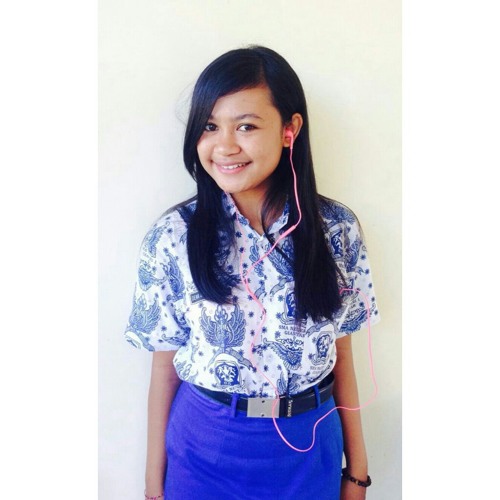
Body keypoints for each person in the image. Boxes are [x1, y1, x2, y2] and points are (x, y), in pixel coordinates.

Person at [125, 46, 380, 500]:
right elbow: (164, 369)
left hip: (310, 445)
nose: (224, 146)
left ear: (289, 129)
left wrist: (357, 473)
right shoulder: (173, 237)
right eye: (210, 126)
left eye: (245, 126)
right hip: (205, 446)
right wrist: (153, 483)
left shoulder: (336, 230)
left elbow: (343, 354)